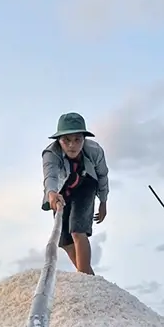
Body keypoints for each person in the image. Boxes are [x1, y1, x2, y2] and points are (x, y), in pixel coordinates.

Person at [42, 112, 109, 275]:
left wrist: (103, 202)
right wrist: (51, 194)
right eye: (66, 140)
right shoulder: (51, 154)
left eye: (77, 139)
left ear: (83, 139)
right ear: (59, 140)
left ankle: (84, 278)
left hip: (86, 183)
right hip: (62, 190)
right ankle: (88, 277)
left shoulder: (94, 151)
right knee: (64, 239)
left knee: (77, 230)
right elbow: (50, 176)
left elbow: (102, 175)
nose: (72, 145)